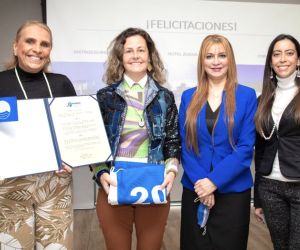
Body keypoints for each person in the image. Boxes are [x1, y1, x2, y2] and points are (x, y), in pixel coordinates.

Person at [93, 27, 180, 250]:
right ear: (120, 57)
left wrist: (171, 171)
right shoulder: (105, 96)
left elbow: (172, 139)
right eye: (129, 50)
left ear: (149, 56)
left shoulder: (164, 96)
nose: (135, 55)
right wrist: (101, 172)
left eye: (141, 50)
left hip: (154, 182)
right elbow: (95, 142)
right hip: (114, 182)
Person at [0, 21, 76, 249]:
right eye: (30, 41)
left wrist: (74, 155)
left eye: (45, 44)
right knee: (14, 245)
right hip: (9, 186)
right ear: (15, 46)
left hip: (56, 184)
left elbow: (74, 130)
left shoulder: (61, 84)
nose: (37, 49)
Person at [179, 34, 257, 250]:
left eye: (222, 55)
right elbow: (186, 146)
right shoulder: (188, 97)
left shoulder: (247, 96)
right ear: (202, 61)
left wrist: (213, 182)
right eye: (209, 56)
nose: (215, 61)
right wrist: (202, 185)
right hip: (196, 189)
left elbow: (245, 148)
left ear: (230, 59)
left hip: (233, 192)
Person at [254, 34, 300, 250]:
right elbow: (260, 149)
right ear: (271, 61)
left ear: (298, 60)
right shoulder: (262, 99)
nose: (283, 59)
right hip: (269, 187)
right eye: (277, 54)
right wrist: (258, 198)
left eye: (289, 53)